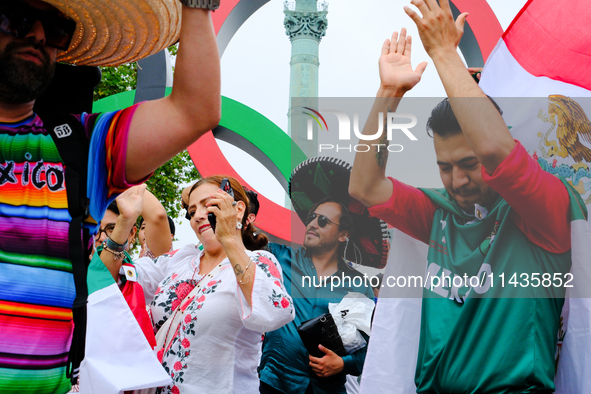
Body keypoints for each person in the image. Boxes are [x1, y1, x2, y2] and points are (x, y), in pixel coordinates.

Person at [349, 1, 578, 392]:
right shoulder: (441, 214)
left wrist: (443, 53)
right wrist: (389, 93)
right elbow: (364, 188)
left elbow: (495, 150)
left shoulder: (544, 210)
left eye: (469, 163)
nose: (457, 180)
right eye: (445, 166)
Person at [0, 0, 220, 391]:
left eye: (54, 29)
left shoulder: (80, 146)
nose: (36, 35)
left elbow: (194, 110)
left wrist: (197, 6)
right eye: (16, 18)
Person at [113, 176, 294, 393]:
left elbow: (275, 312)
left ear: (238, 210)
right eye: (191, 212)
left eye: (209, 205)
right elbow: (111, 279)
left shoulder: (259, 263)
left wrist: (229, 238)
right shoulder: (180, 260)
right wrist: (124, 222)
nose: (198, 215)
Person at [259, 158, 388, 394]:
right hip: (274, 384)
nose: (312, 224)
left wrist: (342, 363)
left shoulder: (359, 285)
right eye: (312, 217)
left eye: (323, 220)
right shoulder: (277, 257)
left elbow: (371, 349)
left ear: (343, 235)